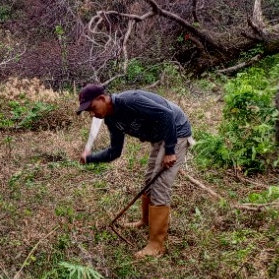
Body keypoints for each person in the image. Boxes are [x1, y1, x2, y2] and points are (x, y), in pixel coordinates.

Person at [77, 83, 193, 259]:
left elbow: (167, 115)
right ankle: (146, 221)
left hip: (176, 131)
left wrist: (170, 151)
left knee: (159, 186)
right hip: (159, 136)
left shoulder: (130, 101)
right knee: (149, 181)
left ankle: (156, 245)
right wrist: (90, 158)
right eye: (88, 112)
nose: (92, 114)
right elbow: (114, 152)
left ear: (102, 98)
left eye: (92, 108)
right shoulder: (111, 119)